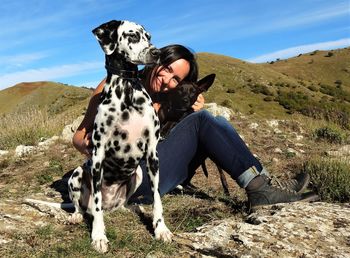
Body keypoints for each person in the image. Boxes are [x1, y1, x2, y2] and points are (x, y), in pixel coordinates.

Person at [73, 44, 317, 209]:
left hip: (152, 176)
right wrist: (95, 147)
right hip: (124, 180)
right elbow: (78, 137)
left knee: (208, 119)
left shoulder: (168, 99)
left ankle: (262, 183)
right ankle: (261, 189)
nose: (167, 80)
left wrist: (190, 110)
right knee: (204, 121)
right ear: (156, 60)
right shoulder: (117, 84)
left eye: (176, 79)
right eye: (167, 69)